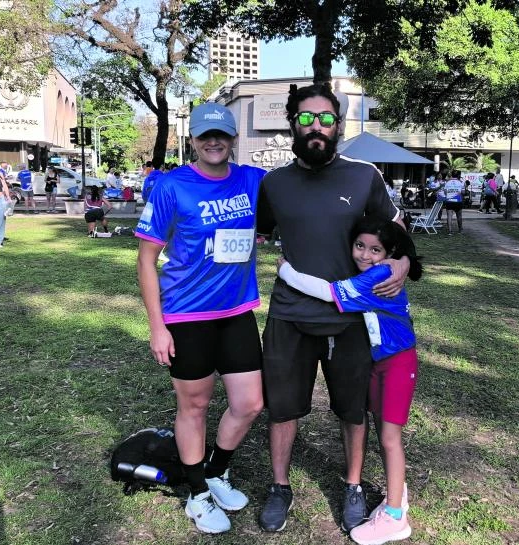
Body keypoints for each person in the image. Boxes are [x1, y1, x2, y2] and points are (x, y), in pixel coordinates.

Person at [254, 83, 410, 535]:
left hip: (352, 321)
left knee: (351, 410)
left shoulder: (364, 176)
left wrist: (400, 261)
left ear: (338, 124)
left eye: (325, 118)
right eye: (306, 118)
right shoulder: (275, 183)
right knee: (282, 409)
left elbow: (398, 230)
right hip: (289, 316)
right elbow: (255, 231)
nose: (316, 126)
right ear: (292, 125)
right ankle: (280, 486)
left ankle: (354, 485)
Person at [135, 103, 266, 534]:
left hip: (237, 312)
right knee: (194, 405)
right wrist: (157, 326)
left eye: (223, 135)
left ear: (233, 140)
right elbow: (147, 260)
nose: (215, 142)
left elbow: (306, 186)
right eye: (206, 135)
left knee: (249, 404)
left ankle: (215, 471)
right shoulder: (171, 186)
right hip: (186, 315)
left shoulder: (252, 180)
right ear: (193, 139)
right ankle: (197, 494)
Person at [276, 217, 421, 545]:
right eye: (360, 246)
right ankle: (398, 494)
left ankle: (396, 518)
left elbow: (328, 293)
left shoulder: (380, 274)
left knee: (389, 438)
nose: (365, 255)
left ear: (388, 253)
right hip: (379, 363)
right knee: (383, 430)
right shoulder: (379, 269)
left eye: (375, 249)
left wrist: (285, 270)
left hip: (397, 363)